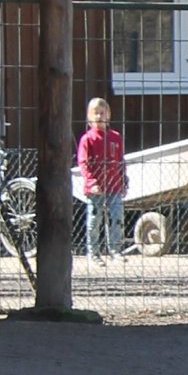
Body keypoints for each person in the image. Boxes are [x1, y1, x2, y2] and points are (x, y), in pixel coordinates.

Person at [77, 98, 128, 265]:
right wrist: (91, 182)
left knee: (117, 217)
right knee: (94, 220)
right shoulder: (87, 139)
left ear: (108, 115)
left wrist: (123, 181)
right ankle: (94, 253)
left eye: (102, 113)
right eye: (95, 113)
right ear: (89, 117)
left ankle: (116, 250)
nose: (99, 116)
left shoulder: (116, 138)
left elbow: (120, 161)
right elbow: (83, 162)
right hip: (95, 188)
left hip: (114, 184)